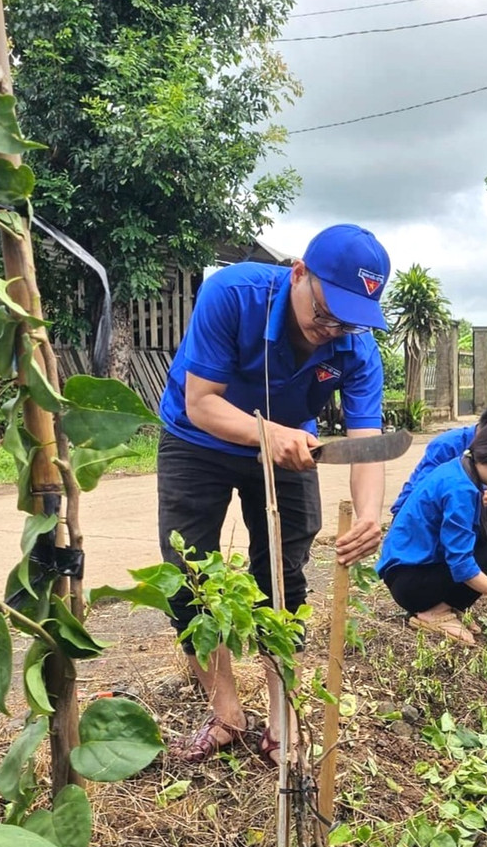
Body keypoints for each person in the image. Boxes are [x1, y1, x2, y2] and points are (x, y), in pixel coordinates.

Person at [156, 223, 390, 765]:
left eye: (350, 321)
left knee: (282, 577)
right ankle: (227, 716)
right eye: (326, 314)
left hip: (288, 449)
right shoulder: (232, 294)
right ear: (299, 274)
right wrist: (268, 433)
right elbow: (202, 403)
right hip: (198, 439)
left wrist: (370, 514)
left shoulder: (356, 348)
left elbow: (366, 444)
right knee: (187, 573)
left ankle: (283, 720)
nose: (334, 329)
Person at [378, 422, 487, 646]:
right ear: (486, 455)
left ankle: (446, 606)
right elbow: (462, 565)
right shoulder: (460, 489)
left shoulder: (459, 468)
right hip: (412, 584)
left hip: (409, 572)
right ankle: (433, 611)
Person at [389, 397, 487, 523]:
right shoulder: (447, 446)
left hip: (457, 513)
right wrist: (474, 500)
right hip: (417, 519)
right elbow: (423, 497)